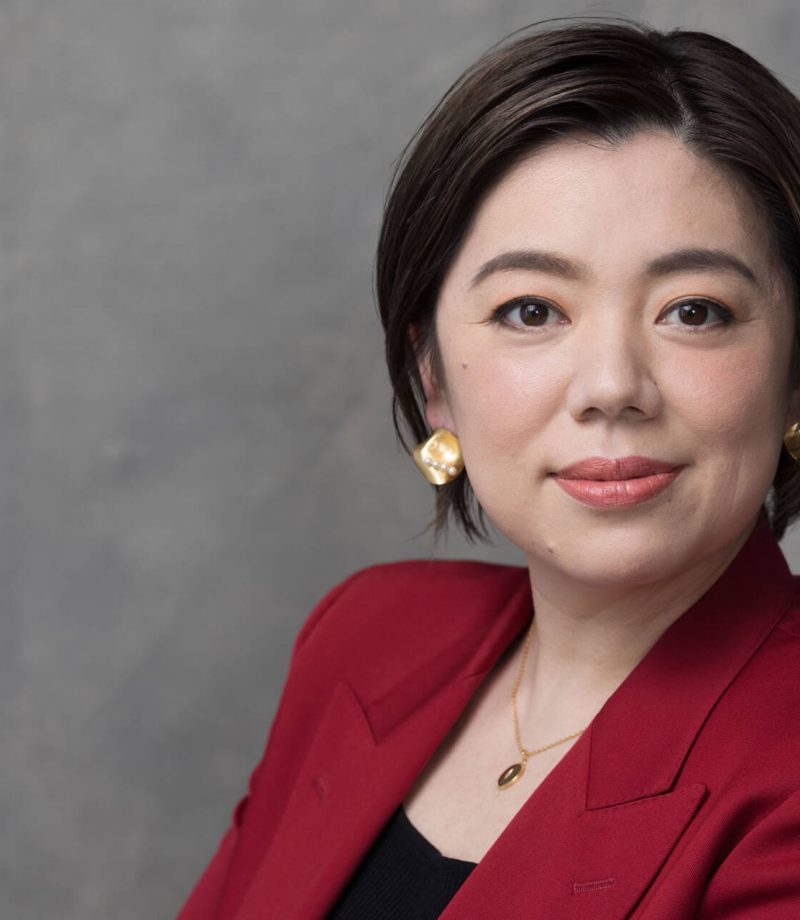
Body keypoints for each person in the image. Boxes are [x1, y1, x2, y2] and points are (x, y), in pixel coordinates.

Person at [178, 18, 800, 920]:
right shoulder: (366, 636)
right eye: (532, 310)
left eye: (695, 310)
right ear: (434, 379)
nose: (612, 387)